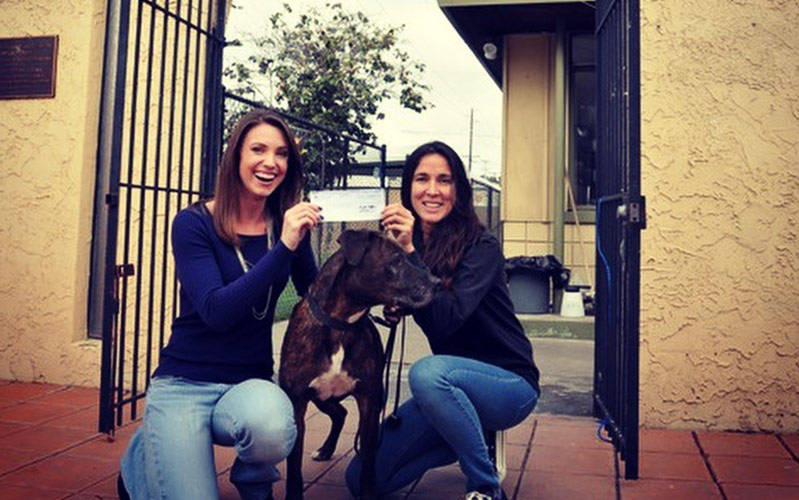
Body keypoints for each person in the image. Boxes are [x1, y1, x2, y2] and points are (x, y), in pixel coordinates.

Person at [118, 109, 322, 500]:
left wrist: (381, 268)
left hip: (248, 382)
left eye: (281, 154)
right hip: (184, 383)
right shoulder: (193, 223)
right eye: (258, 149)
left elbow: (316, 297)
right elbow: (217, 312)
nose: (270, 162)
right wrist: (284, 247)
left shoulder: (286, 227)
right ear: (235, 157)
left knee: (275, 427)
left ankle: (253, 484)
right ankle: (144, 456)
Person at [346, 141, 540, 500]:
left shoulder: (483, 246)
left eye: (444, 180)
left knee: (426, 372)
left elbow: (447, 319)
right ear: (408, 189)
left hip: (508, 383)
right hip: (446, 392)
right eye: (422, 179)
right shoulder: (415, 245)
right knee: (361, 481)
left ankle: (484, 486)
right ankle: (466, 435)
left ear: (458, 190)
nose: (432, 190)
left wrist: (408, 252)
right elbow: (422, 302)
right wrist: (396, 303)